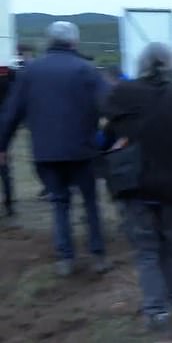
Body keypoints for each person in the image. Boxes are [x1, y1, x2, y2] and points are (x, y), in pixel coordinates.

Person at [102, 42, 172, 339]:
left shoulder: (123, 92)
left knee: (147, 250)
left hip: (134, 184)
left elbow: (108, 129)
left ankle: (156, 311)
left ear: (142, 64)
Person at [0, 21, 110, 276]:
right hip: (82, 150)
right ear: (74, 42)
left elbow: (11, 113)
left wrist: (2, 146)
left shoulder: (30, 71)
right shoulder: (87, 70)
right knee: (90, 202)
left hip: (46, 152)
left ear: (49, 41)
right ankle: (97, 255)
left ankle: (65, 258)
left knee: (59, 202)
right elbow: (109, 105)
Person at [0, 65, 16, 217]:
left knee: (3, 165)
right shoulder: (8, 72)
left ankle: (9, 204)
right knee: (3, 166)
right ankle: (9, 204)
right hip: (5, 123)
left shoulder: (7, 72)